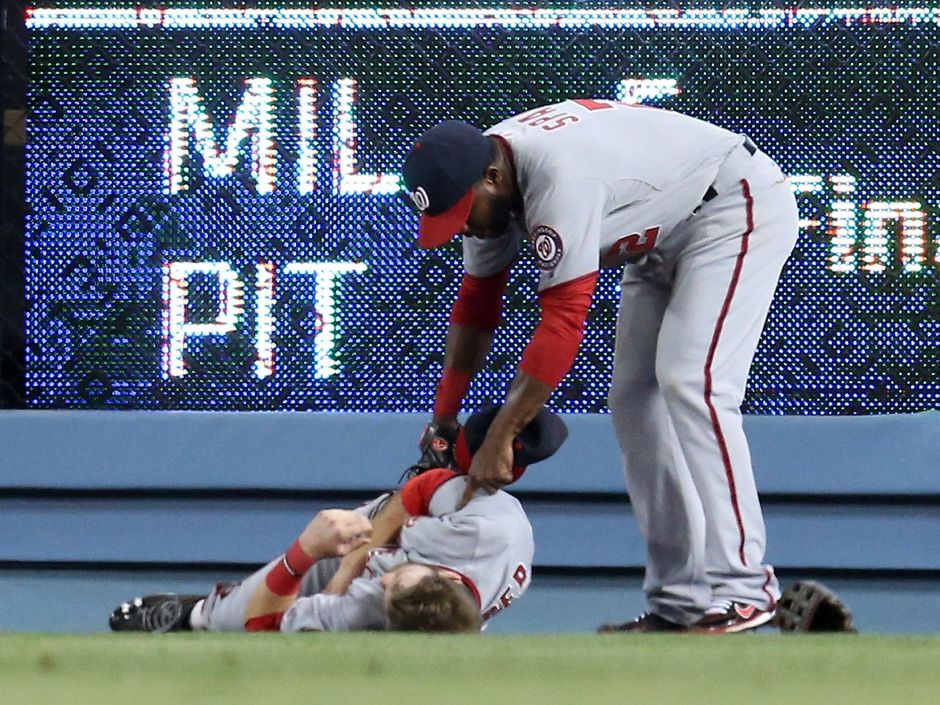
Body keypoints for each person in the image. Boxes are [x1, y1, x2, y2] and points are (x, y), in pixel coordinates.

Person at [401, 99, 799, 633]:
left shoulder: (559, 180)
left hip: (730, 204)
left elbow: (563, 322)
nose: (462, 229)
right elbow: (477, 306)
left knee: (694, 383)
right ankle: (678, 603)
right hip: (658, 236)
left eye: (460, 214)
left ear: (492, 178)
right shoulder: (485, 183)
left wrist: (503, 431)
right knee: (633, 402)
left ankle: (746, 587)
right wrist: (444, 418)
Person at [109, 406, 567, 634]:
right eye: (399, 584)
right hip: (371, 531)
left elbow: (263, 626)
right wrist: (350, 566)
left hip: (354, 558)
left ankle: (196, 614)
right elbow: (420, 490)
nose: (389, 585)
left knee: (238, 619)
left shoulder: (369, 606)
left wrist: (302, 553)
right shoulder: (491, 518)